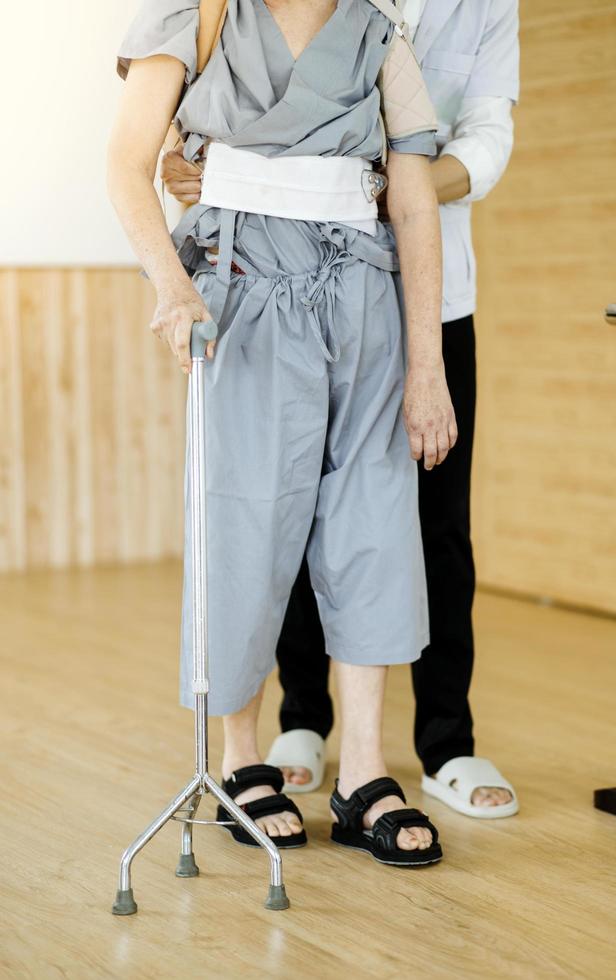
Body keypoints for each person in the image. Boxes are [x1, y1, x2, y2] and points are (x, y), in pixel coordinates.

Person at [108, 0, 455, 866]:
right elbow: (123, 165)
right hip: (243, 294)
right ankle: (239, 758)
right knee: (246, 526)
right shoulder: (196, 18)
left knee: (376, 526)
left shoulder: (379, 33)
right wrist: (171, 286)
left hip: (363, 298)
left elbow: (412, 203)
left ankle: (366, 772)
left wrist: (427, 366)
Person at [161, 0, 521, 819]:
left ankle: (440, 745)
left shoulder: (477, 10)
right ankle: (295, 726)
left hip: (421, 291)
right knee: (272, 515)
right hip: (275, 279)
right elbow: (169, 141)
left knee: (412, 526)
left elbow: (486, 144)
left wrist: (387, 172)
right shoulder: (251, 13)